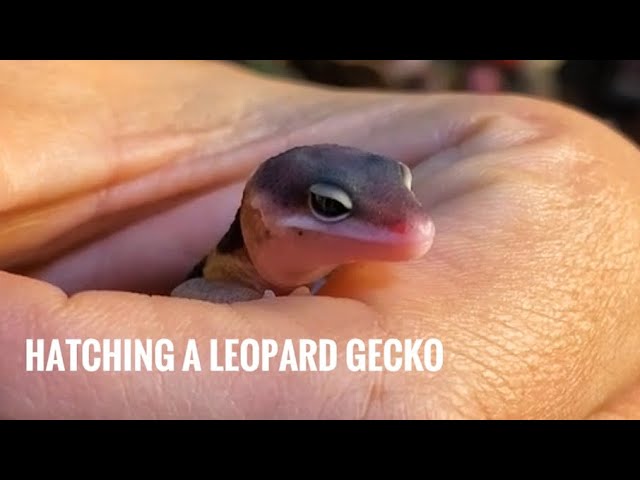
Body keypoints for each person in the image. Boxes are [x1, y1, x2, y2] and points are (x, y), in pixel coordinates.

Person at [1, 60, 639, 419]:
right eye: (331, 209)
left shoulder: (327, 272)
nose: (414, 227)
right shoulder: (208, 293)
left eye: (407, 188)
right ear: (259, 218)